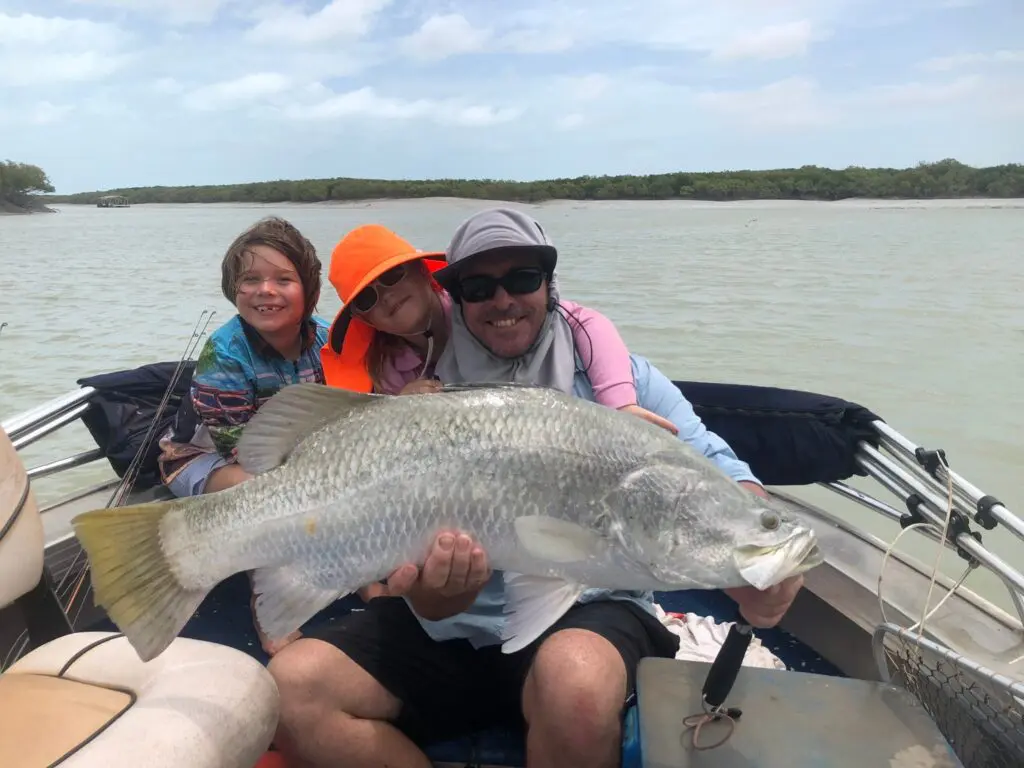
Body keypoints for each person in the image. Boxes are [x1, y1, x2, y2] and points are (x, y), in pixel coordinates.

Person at [268, 208, 804, 768]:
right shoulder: (416, 390)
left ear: (550, 285)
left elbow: (724, 472)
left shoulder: (624, 379)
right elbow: (396, 554)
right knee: (293, 686)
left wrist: (765, 557)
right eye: (478, 287)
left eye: (523, 279)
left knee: (574, 678)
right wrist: (431, 593)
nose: (502, 300)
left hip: (592, 608)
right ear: (457, 298)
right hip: (450, 622)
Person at [155, 215, 330, 654]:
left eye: (283, 279)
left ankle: (364, 580)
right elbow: (242, 452)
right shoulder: (225, 351)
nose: (265, 291)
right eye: (250, 279)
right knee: (263, 492)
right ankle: (266, 600)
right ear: (233, 289)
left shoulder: (328, 339)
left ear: (309, 289)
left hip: (298, 457)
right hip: (205, 460)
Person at [318, 222, 678, 433]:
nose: (387, 296)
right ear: (362, 318)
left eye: (392, 276)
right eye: (366, 299)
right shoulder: (385, 369)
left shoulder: (476, 304)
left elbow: (582, 321)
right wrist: (397, 410)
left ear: (421, 271)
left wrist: (621, 406)